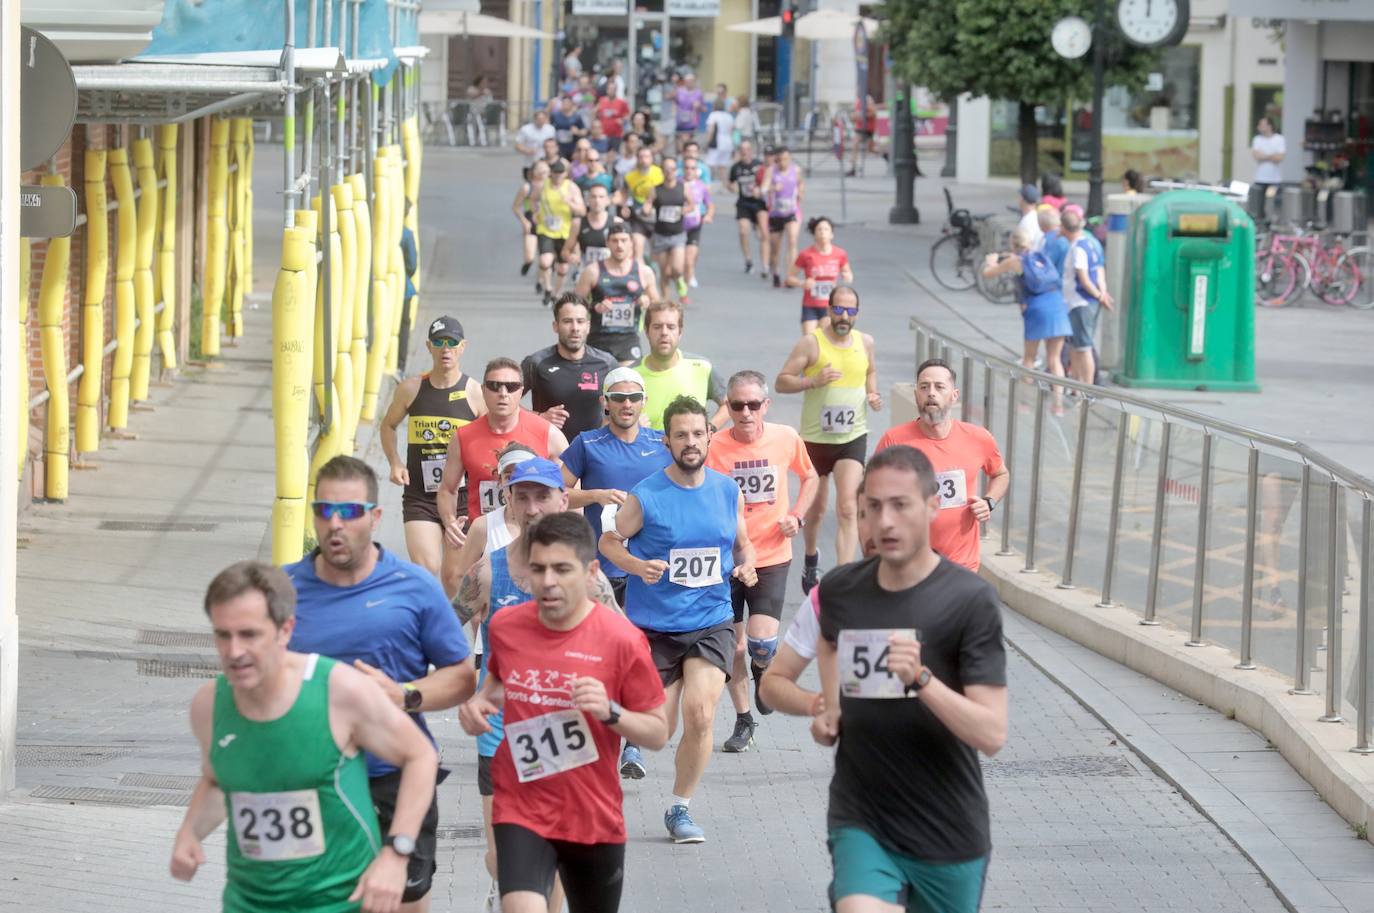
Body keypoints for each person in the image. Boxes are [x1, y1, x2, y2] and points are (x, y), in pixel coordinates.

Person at [170, 561, 442, 913]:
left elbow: (420, 756)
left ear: (285, 630)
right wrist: (189, 833)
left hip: (341, 902)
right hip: (248, 902)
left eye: (249, 634)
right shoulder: (209, 705)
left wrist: (395, 853)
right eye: (223, 634)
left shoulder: (339, 690)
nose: (234, 651)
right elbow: (218, 780)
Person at [812, 445, 1008, 913]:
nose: (885, 522)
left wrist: (923, 680)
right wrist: (830, 714)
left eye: (900, 505)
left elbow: (992, 733)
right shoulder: (841, 590)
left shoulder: (971, 600)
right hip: (863, 816)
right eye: (873, 507)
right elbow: (828, 648)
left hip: (948, 829)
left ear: (932, 505)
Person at [285, 456, 475, 913]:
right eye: (324, 510)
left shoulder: (413, 587)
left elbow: (462, 676)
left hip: (393, 779)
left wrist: (405, 695)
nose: (335, 524)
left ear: (375, 516)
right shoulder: (281, 590)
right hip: (305, 782)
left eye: (349, 512)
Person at [459, 512, 669, 913]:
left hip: (592, 814)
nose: (548, 581)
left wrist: (611, 712)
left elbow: (657, 733)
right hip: (521, 802)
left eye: (561, 569)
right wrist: (479, 706)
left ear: (591, 572)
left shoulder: (622, 640)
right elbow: (496, 686)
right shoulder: (506, 627)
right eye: (538, 569)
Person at [453, 461, 622, 911]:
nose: (532, 508)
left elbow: (625, 648)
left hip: (565, 732)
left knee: (555, 851)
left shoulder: (587, 578)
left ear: (563, 501)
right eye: (522, 496)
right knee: (502, 858)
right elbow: (445, 631)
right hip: (501, 736)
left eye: (542, 495)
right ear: (508, 500)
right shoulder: (489, 571)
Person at [598, 396, 758, 843]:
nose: (691, 442)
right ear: (666, 440)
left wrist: (748, 565)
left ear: (710, 436)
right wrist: (636, 566)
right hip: (655, 628)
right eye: (681, 435)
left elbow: (743, 545)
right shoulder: (646, 494)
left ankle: (680, 808)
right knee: (656, 731)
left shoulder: (727, 490)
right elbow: (610, 543)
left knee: (701, 713)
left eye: (698, 433)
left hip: (711, 620)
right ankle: (623, 747)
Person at [704, 370, 819, 751]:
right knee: (732, 647)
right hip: (728, 558)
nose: (746, 412)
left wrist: (797, 517)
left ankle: (763, 672)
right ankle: (743, 720)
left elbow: (811, 478)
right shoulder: (714, 446)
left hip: (771, 554)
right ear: (729, 407)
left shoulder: (785, 437)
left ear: (765, 405)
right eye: (737, 405)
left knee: (761, 642)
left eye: (754, 405)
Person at [774, 286, 881, 592]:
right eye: (838, 309)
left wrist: (872, 393)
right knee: (817, 509)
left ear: (857, 313)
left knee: (848, 507)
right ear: (829, 310)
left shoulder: (866, 343)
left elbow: (871, 371)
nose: (844, 316)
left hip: (853, 435)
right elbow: (782, 382)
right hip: (816, 440)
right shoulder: (812, 343)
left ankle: (845, 577)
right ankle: (810, 558)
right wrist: (812, 381)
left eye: (850, 311)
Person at [875, 359, 1009, 573]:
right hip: (910, 564)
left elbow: (1000, 473)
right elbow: (872, 495)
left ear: (954, 395)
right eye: (924, 387)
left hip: (962, 565)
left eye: (939, 387)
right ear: (916, 394)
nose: (931, 393)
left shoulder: (978, 438)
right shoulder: (894, 441)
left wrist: (989, 502)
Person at [758, 481, 877, 717]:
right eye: (866, 514)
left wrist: (923, 681)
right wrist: (823, 707)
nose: (880, 525)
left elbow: (975, 725)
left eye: (899, 507)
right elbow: (772, 685)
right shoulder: (831, 595)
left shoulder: (959, 593)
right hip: (860, 752)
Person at [381, 316, 485, 575]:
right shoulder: (411, 388)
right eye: (439, 342)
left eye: (452, 342)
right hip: (420, 496)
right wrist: (395, 462)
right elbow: (387, 426)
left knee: (455, 576)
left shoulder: (475, 393)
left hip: (460, 498)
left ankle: (450, 616)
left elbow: (491, 436)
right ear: (429, 346)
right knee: (427, 570)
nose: (445, 348)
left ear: (463, 346)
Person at [439, 357, 569, 531]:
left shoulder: (550, 434)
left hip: (534, 536)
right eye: (494, 386)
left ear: (521, 391)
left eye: (511, 387)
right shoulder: (463, 437)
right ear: (483, 390)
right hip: (483, 539)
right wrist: (450, 523)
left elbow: (569, 490)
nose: (503, 393)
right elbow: (447, 489)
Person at [982, 226, 1070, 405]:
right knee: (1055, 358)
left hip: (1037, 308)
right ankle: (1058, 403)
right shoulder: (1040, 256)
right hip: (1057, 304)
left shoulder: (1015, 261)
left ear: (1013, 244)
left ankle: (1024, 401)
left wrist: (990, 261)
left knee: (1029, 357)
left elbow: (988, 274)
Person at [521, 293, 620, 442]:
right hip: (551, 455)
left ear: (588, 326)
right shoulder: (536, 363)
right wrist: (539, 417)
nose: (575, 328)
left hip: (593, 453)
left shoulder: (606, 363)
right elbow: (505, 402)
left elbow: (624, 403)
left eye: (580, 321)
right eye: (567, 321)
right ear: (556, 326)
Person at [631, 300, 729, 431]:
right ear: (647, 331)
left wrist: (708, 429)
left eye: (671, 327)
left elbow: (728, 405)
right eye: (657, 327)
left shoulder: (702, 367)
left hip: (691, 450)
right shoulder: (630, 375)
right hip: (643, 450)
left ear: (680, 332)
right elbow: (607, 417)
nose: (664, 332)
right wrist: (629, 427)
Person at [576, 221, 660, 366]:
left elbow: (658, 306)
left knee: (628, 382)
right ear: (607, 243)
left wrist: (647, 301)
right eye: (615, 241)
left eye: (623, 240)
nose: (619, 245)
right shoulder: (592, 271)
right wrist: (595, 307)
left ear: (631, 243)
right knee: (597, 386)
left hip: (628, 338)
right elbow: (574, 304)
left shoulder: (644, 272)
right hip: (598, 338)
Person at [1060, 207, 1112, 385]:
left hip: (1080, 302)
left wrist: (1099, 296)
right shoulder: (1090, 243)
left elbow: (1084, 279)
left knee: (1084, 347)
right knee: (1076, 345)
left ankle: (1087, 389)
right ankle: (1076, 384)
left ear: (1063, 228)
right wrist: (1103, 291)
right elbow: (1099, 269)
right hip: (1083, 302)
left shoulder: (1078, 249)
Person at [787, 216, 854, 334]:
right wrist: (802, 283)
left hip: (831, 306)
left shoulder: (840, 254)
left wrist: (847, 276)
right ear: (814, 234)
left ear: (832, 234)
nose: (823, 232)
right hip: (810, 305)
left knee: (825, 340)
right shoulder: (805, 254)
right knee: (809, 338)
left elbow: (848, 273)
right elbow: (790, 278)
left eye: (826, 229)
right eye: (819, 229)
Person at [534, 160, 586, 307]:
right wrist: (535, 212)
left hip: (565, 232)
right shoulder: (543, 185)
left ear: (565, 174)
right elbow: (532, 199)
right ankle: (548, 289)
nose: (557, 176)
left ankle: (557, 294)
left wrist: (570, 202)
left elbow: (582, 211)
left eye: (560, 173)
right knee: (545, 261)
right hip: (546, 230)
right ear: (551, 173)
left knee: (562, 268)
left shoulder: (571, 187)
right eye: (555, 173)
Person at [649, 155, 690, 303]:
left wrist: (686, 209)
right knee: (664, 272)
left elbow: (691, 204)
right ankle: (665, 301)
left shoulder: (682, 187)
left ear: (676, 170)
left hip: (677, 234)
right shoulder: (656, 189)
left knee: (677, 268)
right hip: (661, 234)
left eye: (672, 169)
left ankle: (680, 282)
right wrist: (647, 209)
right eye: (666, 169)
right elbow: (648, 204)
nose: (669, 172)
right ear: (662, 171)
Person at [762, 146, 804, 288]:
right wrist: (773, 188)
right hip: (776, 213)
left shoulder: (796, 170)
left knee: (792, 240)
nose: (783, 163)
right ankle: (776, 273)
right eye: (779, 160)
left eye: (786, 159)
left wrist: (801, 192)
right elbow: (763, 188)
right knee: (775, 248)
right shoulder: (771, 171)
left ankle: (790, 275)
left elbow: (801, 183)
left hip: (792, 211)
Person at [728, 139, 769, 276]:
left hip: (758, 203)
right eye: (742, 150)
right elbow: (730, 183)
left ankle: (765, 263)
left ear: (751, 151)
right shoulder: (736, 168)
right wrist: (731, 187)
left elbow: (767, 179)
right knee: (743, 231)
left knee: (762, 233)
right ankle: (748, 261)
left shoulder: (759, 165)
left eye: (747, 149)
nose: (745, 152)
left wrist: (760, 188)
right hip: (744, 202)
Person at [622, 145, 664, 264]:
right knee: (636, 248)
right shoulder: (630, 176)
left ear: (652, 158)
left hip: (656, 217)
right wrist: (625, 206)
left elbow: (663, 192)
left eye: (647, 156)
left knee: (655, 254)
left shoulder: (659, 173)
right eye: (641, 157)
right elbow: (624, 194)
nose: (644, 159)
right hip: (638, 217)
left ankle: (651, 269)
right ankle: (641, 278)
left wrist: (650, 202)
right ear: (637, 158)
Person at [682, 157, 714, 292]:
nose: (689, 171)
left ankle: (686, 286)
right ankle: (683, 277)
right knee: (677, 262)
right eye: (687, 168)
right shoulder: (677, 183)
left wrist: (708, 215)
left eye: (693, 168)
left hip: (695, 224)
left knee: (689, 259)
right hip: (677, 226)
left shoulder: (702, 186)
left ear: (697, 171)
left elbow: (710, 205)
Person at [513, 161, 548, 279]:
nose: (543, 171)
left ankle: (541, 280)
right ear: (533, 172)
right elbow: (516, 207)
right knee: (530, 257)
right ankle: (527, 264)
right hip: (531, 221)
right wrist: (524, 221)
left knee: (545, 257)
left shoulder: (553, 187)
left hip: (547, 224)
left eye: (545, 169)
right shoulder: (527, 187)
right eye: (540, 169)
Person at [1251, 116, 1285, 205]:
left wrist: (1264, 155)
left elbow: (1279, 158)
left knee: (1274, 204)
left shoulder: (1279, 139)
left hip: (1275, 180)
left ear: (1270, 126)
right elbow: (1256, 156)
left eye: (1262, 125)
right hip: (1260, 179)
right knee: (1258, 204)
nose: (1259, 127)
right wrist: (1272, 155)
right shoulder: (1257, 139)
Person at [846, 95, 878, 177]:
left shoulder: (867, 99)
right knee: (868, 148)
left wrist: (862, 116)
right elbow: (855, 114)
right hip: (860, 128)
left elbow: (873, 113)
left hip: (867, 128)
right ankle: (853, 168)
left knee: (856, 144)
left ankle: (853, 168)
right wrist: (853, 116)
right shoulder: (858, 100)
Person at [673, 74, 705, 151]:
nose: (689, 82)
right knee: (680, 145)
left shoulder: (698, 93)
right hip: (680, 121)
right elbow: (674, 103)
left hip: (691, 122)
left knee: (687, 143)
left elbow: (704, 109)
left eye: (691, 81)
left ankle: (686, 158)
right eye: (687, 81)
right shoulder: (679, 91)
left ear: (694, 81)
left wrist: (699, 106)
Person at [551, 95, 588, 162]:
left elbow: (584, 131)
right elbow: (549, 128)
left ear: (571, 104)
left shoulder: (577, 117)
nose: (566, 105)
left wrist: (578, 132)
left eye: (568, 103)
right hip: (559, 147)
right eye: (564, 103)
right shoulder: (555, 116)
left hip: (573, 147)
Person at [596, 81, 630, 151]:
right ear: (607, 90)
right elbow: (595, 112)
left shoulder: (622, 102)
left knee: (615, 154)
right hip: (603, 134)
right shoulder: (602, 100)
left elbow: (628, 114)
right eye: (610, 89)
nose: (611, 91)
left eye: (613, 89)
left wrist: (623, 120)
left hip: (616, 135)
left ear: (616, 90)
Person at [704, 99, 735, 173]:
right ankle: (723, 182)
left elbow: (710, 131)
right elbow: (732, 131)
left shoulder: (713, 115)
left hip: (717, 143)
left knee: (710, 164)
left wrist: (707, 143)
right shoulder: (729, 116)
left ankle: (711, 181)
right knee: (723, 166)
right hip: (728, 143)